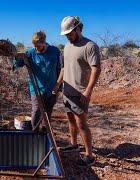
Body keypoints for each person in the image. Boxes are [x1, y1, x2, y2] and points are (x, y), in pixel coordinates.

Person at [53, 16, 101, 166]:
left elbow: (96, 69)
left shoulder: (90, 46)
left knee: (82, 124)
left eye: (70, 33)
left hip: (80, 93)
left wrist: (88, 91)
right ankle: (74, 144)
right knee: (70, 120)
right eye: (66, 34)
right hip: (67, 90)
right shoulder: (67, 47)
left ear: (77, 29)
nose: (68, 36)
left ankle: (89, 155)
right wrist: (57, 83)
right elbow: (63, 68)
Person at [13, 31, 62, 131]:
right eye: (34, 46)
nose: (36, 48)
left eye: (38, 46)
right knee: (36, 111)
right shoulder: (30, 53)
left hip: (52, 88)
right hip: (36, 88)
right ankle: (34, 133)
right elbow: (18, 64)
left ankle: (45, 134)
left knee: (48, 112)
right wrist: (17, 56)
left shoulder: (55, 51)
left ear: (44, 42)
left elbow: (60, 69)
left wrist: (59, 87)